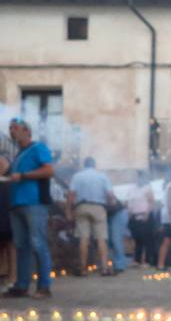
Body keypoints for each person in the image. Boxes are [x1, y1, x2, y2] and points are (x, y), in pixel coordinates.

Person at [2, 118, 55, 298]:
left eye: (15, 128)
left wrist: (23, 175)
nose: (11, 131)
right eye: (10, 128)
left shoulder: (38, 148)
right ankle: (22, 285)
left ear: (26, 131)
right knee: (21, 246)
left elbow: (49, 171)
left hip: (34, 203)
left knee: (38, 243)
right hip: (16, 204)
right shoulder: (19, 154)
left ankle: (44, 286)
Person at [67, 157, 113, 276]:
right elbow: (109, 194)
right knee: (101, 238)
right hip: (99, 207)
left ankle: (83, 269)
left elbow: (71, 195)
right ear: (94, 165)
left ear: (84, 165)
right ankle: (104, 268)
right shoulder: (102, 176)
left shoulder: (77, 176)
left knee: (83, 238)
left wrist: (68, 211)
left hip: (82, 206)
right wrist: (109, 204)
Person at [126, 172, 156, 267]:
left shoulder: (147, 188)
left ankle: (147, 261)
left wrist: (147, 214)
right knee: (137, 239)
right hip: (134, 216)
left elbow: (151, 202)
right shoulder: (132, 188)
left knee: (146, 240)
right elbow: (129, 202)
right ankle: (137, 260)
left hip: (144, 216)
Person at [0, 131, 15, 292]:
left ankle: (12, 278)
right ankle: (5, 276)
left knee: (9, 245)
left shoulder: (4, 160)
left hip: (5, 207)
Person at [107, 191, 129, 274]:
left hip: (118, 213)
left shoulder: (103, 190)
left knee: (116, 239)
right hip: (108, 215)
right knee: (110, 241)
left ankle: (119, 265)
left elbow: (112, 201)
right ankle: (115, 263)